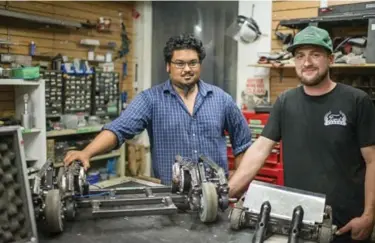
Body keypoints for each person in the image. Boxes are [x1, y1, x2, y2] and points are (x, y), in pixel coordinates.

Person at [228, 26, 375, 243]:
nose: (307, 62)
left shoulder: (357, 101)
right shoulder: (285, 102)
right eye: (300, 56)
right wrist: (227, 191)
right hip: (298, 222)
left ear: (331, 59)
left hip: (345, 226)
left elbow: (373, 160)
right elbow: (260, 149)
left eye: (315, 55)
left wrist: (369, 216)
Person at [64, 33, 252, 185]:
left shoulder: (221, 99)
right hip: (172, 196)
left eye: (193, 63)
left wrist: (237, 183)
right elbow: (118, 129)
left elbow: (242, 143)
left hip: (215, 194)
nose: (187, 69)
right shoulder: (150, 100)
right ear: (168, 66)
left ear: (199, 65)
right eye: (180, 63)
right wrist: (86, 152)